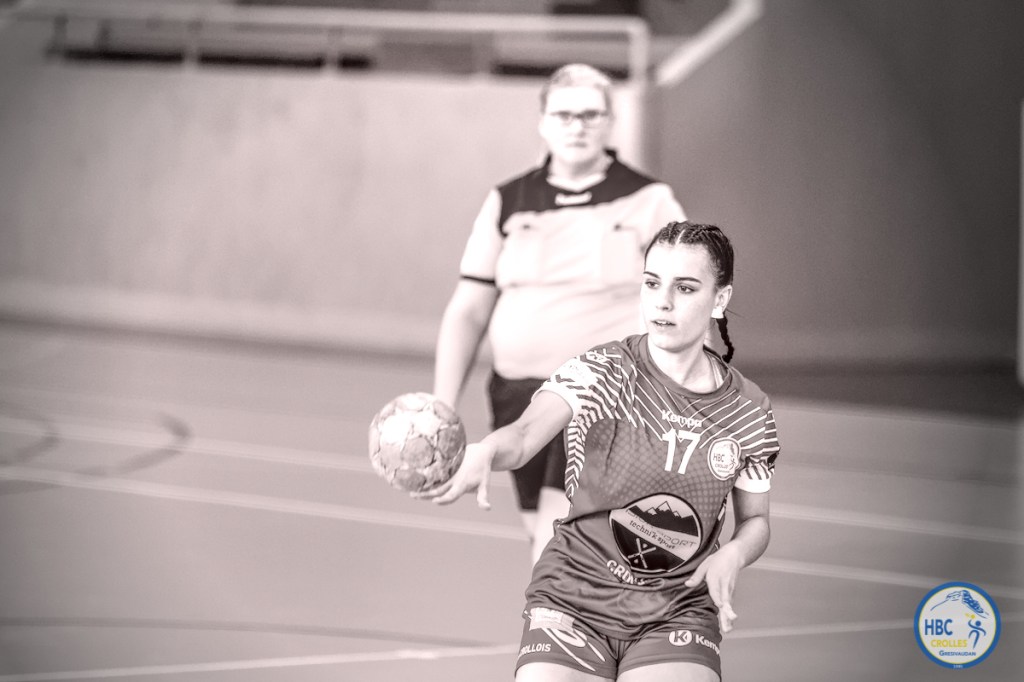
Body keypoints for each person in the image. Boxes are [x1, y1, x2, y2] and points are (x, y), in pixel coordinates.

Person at [420, 221, 780, 681]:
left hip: (676, 609)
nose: (663, 302)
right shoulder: (602, 371)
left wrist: (734, 554)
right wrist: (488, 450)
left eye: (685, 288)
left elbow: (755, 520)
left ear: (720, 299)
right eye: (652, 283)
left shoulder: (748, 411)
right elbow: (525, 435)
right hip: (574, 594)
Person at [433, 63, 685, 564]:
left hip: (607, 396)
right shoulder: (508, 201)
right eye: (565, 115)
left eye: (591, 115)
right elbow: (469, 310)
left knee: (557, 543)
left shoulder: (649, 200)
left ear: (611, 122)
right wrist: (442, 405)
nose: (578, 126)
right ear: (543, 122)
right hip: (518, 397)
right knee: (546, 537)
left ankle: (563, 612)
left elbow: (686, 301)